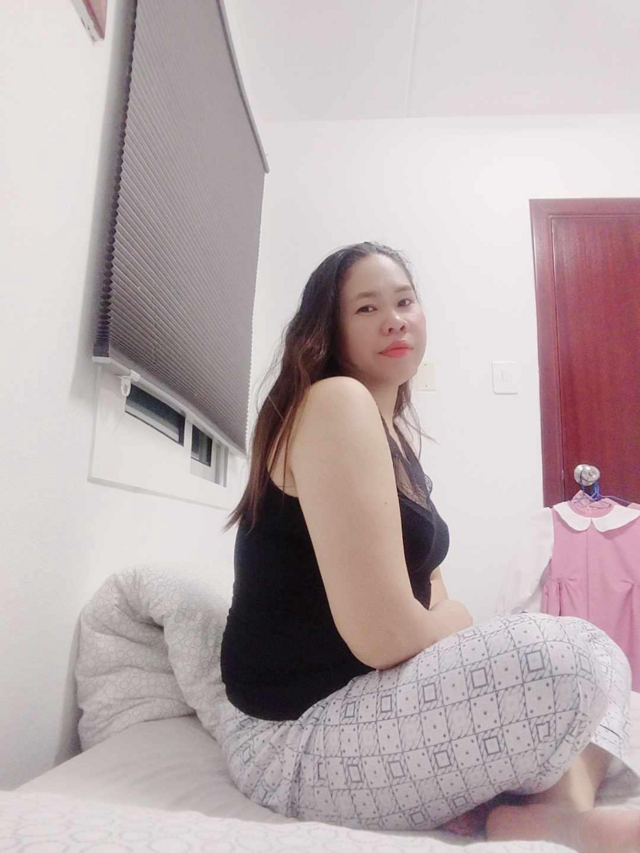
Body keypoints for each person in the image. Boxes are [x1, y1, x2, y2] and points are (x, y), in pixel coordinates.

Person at [217, 241, 640, 851]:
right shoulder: (335, 402)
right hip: (294, 738)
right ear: (329, 329)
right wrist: (457, 621)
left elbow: (427, 589)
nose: (394, 320)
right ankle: (554, 809)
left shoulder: (394, 437)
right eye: (366, 308)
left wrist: (442, 621)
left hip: (368, 696)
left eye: (404, 301)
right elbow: (387, 635)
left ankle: (556, 814)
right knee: (572, 658)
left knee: (606, 663)